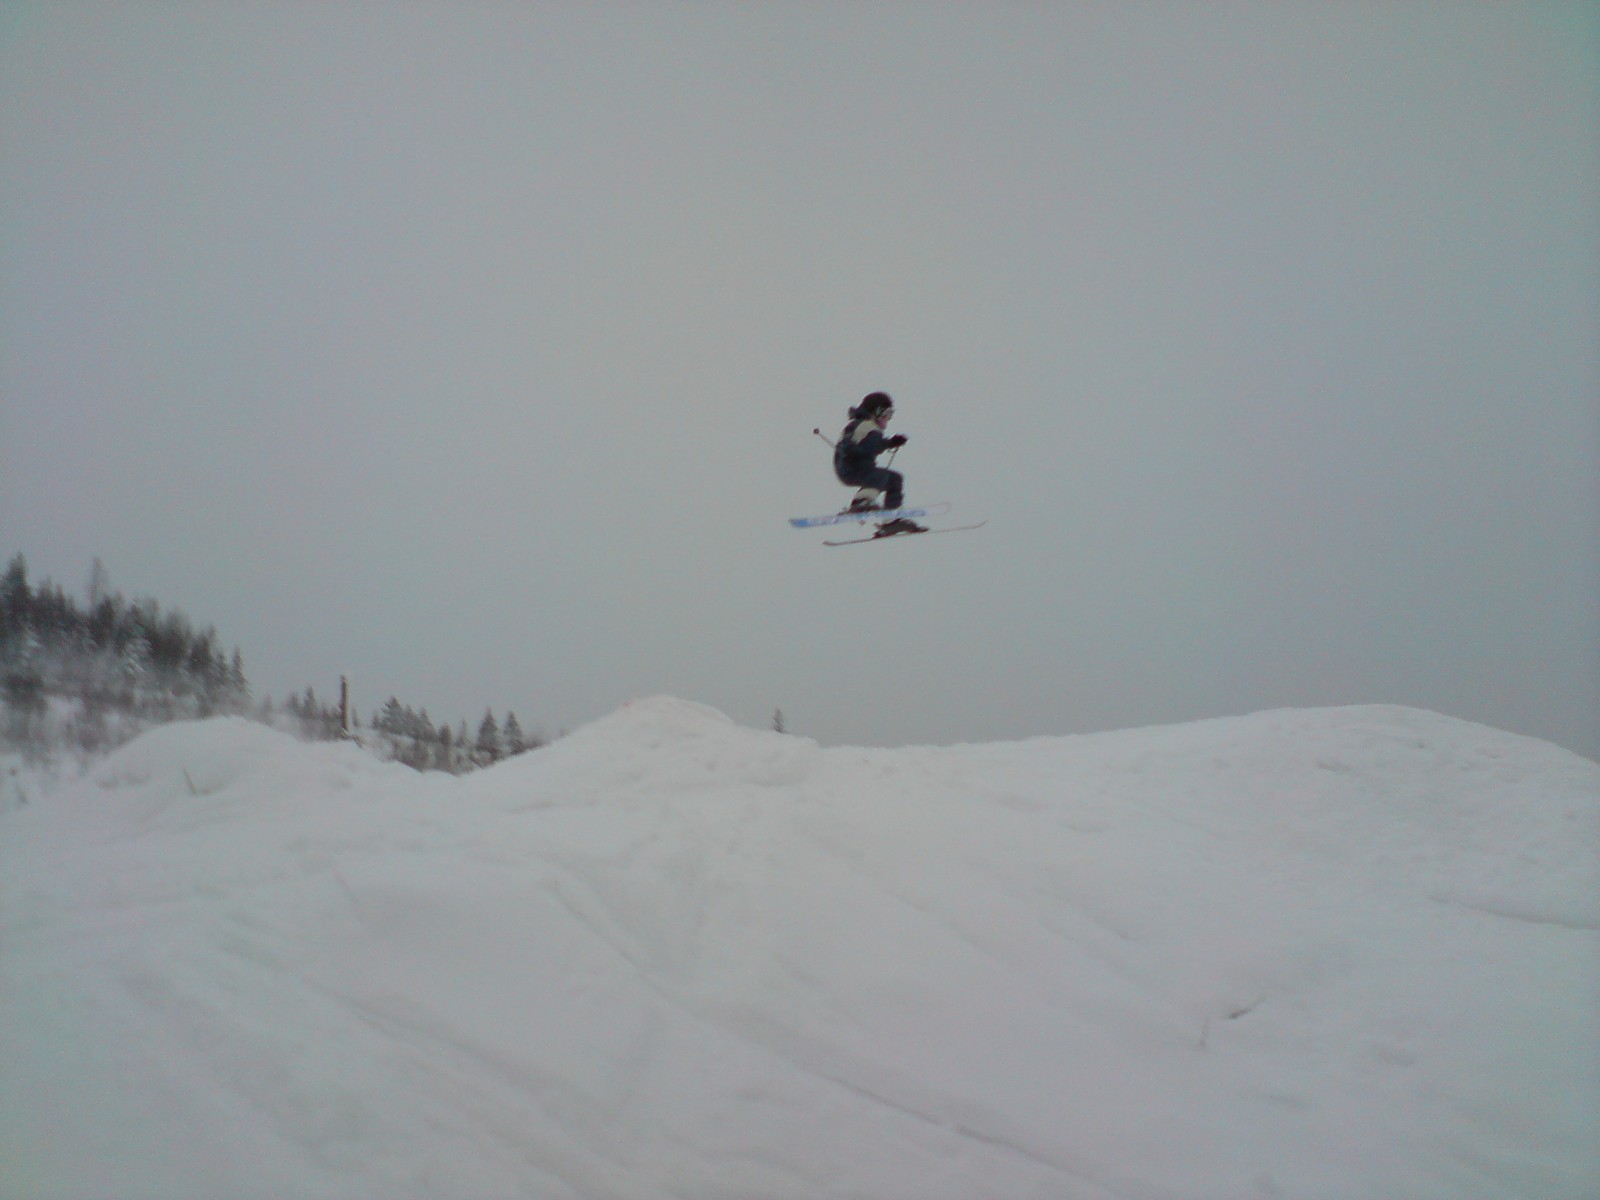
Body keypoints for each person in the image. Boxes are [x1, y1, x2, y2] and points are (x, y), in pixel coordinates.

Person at [833, 392, 925, 533]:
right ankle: (861, 503)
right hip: (850, 468)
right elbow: (853, 442)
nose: (887, 418)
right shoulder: (862, 425)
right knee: (880, 476)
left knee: (894, 479)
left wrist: (891, 443)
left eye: (890, 414)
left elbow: (872, 446)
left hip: (861, 469)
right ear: (875, 411)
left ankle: (892, 520)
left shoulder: (870, 427)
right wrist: (850, 449)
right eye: (885, 413)